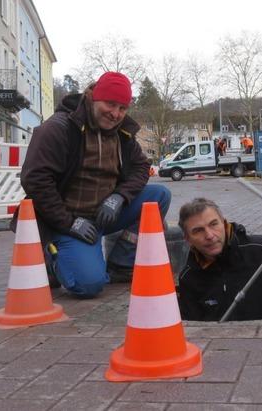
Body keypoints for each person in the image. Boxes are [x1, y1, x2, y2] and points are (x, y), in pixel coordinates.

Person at [17, 71, 171, 298]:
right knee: (88, 285)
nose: (116, 114)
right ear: (93, 96)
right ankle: (51, 259)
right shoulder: (58, 128)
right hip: (65, 220)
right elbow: (35, 180)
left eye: (122, 108)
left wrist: (119, 197)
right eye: (110, 104)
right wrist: (70, 223)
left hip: (104, 214)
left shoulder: (123, 133)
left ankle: (120, 263)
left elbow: (141, 167)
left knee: (159, 196)